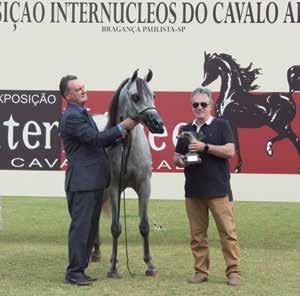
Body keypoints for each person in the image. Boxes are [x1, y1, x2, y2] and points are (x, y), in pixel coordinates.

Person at [58, 75, 137, 286]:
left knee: (90, 229)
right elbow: (95, 139)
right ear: (67, 95)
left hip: (92, 182)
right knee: (81, 229)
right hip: (82, 183)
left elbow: (95, 144)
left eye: (83, 87)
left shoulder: (82, 113)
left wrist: (119, 135)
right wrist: (122, 127)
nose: (83, 90)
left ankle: (80, 270)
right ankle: (73, 273)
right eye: (78, 89)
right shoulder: (73, 117)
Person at [173, 88, 241, 286]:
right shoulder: (185, 129)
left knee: (227, 233)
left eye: (203, 104)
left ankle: (234, 272)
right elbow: (176, 157)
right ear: (191, 106)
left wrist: (205, 147)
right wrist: (182, 160)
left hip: (219, 190)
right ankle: (201, 272)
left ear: (210, 105)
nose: (200, 108)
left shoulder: (222, 125)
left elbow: (230, 151)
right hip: (193, 191)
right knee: (197, 236)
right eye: (196, 104)